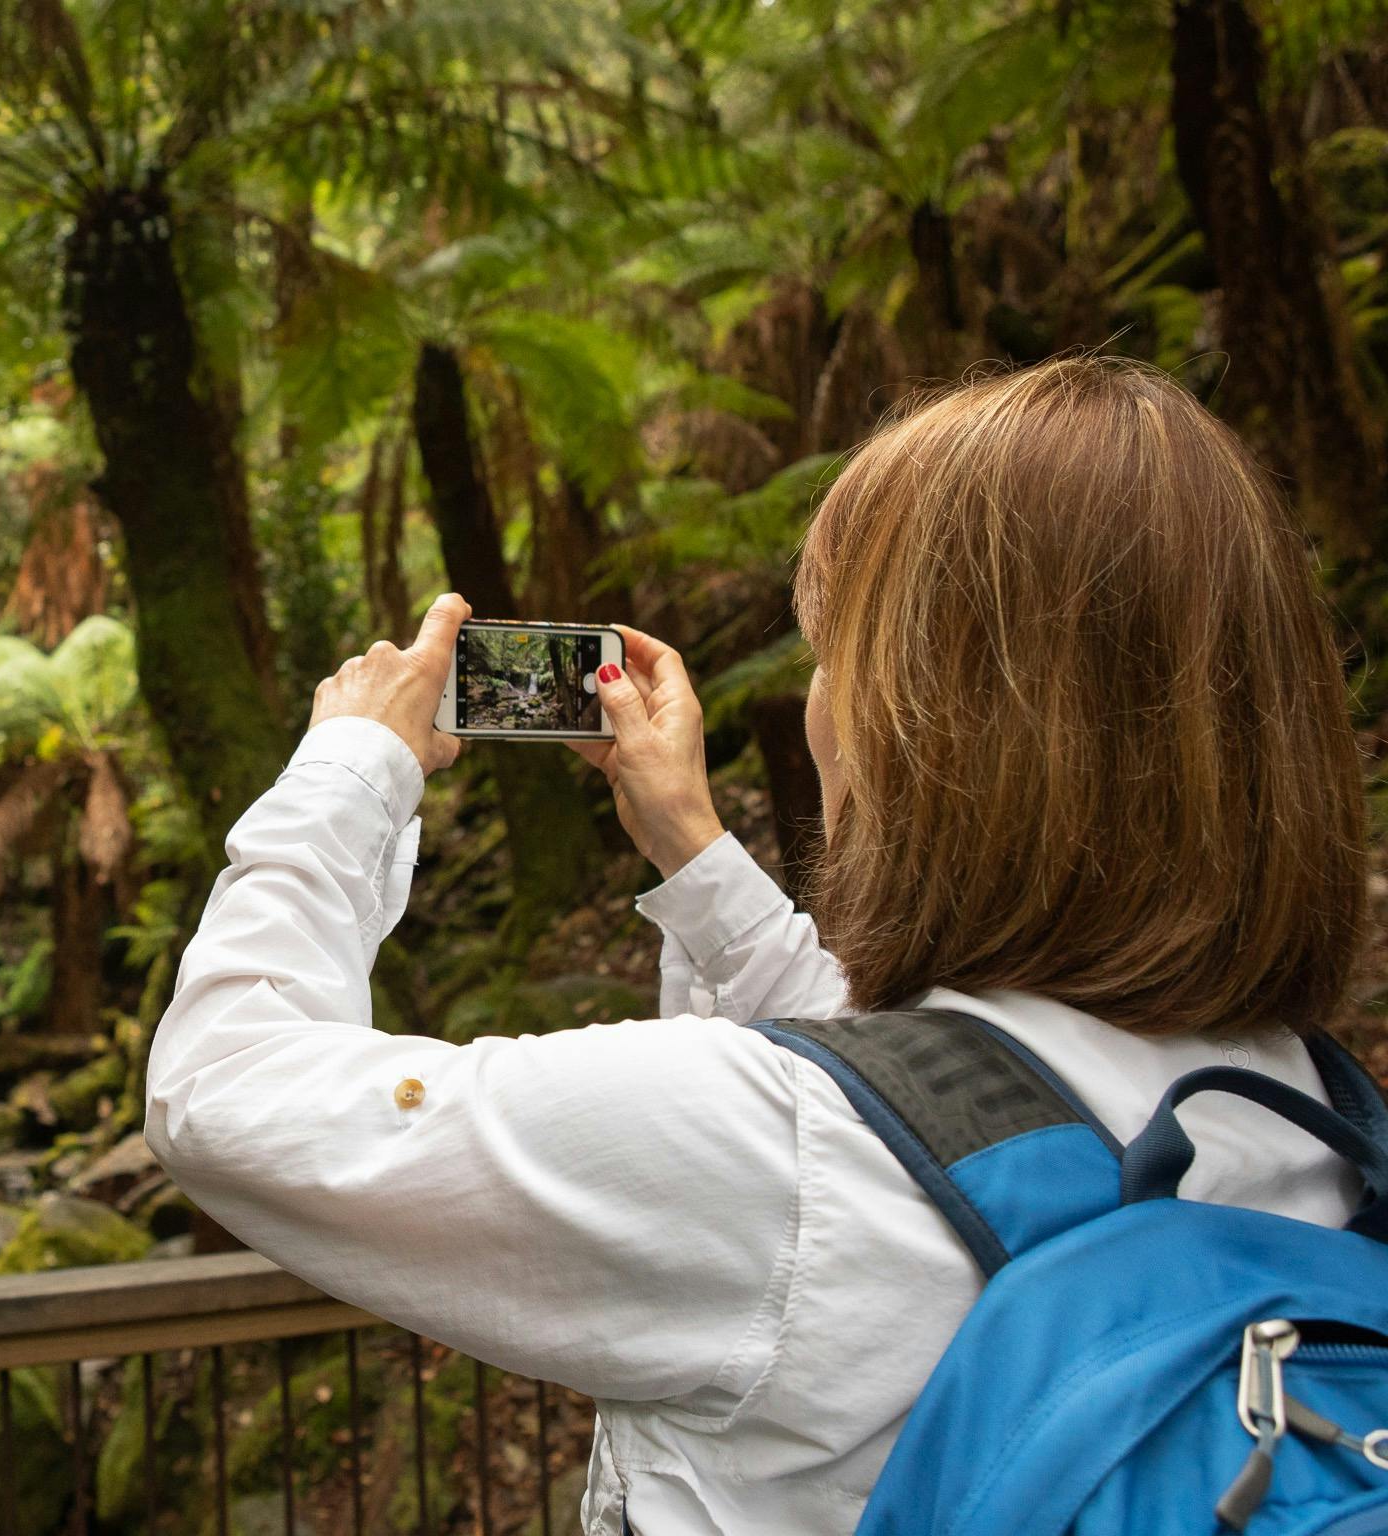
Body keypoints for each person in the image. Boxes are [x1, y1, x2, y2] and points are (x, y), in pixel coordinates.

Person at [143, 358, 1368, 1535]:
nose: (817, 705)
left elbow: (224, 1094)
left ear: (925, 727)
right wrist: (690, 845)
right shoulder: (1303, 1103)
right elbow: (956, 1106)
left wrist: (352, 767)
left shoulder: (761, 1154)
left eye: (833, 655)